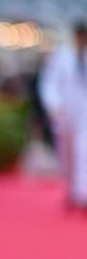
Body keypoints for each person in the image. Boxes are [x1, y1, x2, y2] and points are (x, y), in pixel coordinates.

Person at [39, 20, 87, 209]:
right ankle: (72, 188)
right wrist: (53, 104)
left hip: (84, 112)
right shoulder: (61, 56)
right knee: (66, 152)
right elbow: (49, 83)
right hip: (64, 111)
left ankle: (82, 193)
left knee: (83, 150)